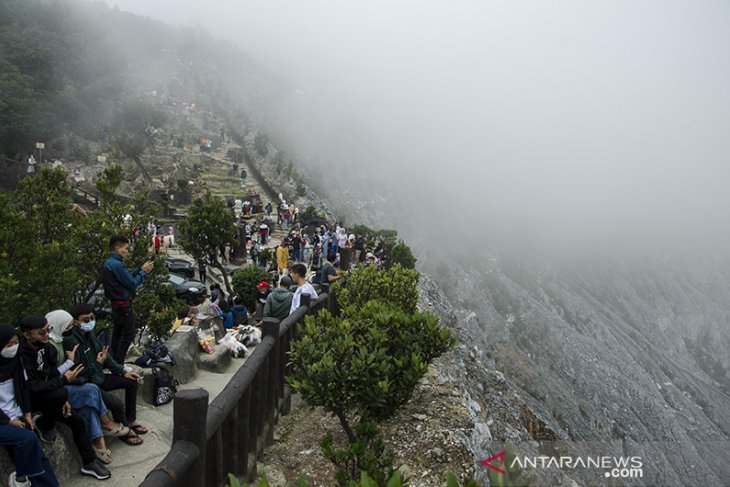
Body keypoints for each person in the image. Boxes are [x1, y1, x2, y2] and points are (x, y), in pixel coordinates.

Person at [18, 316, 111, 479]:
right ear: (27, 335)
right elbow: (30, 387)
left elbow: (52, 375)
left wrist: (63, 398)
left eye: (48, 330)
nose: (46, 335)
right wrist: (63, 382)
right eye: (41, 332)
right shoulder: (21, 355)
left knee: (77, 420)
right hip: (30, 400)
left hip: (51, 397)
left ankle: (89, 462)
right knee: (62, 393)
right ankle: (43, 424)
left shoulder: (48, 349)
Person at [45, 311, 129, 464]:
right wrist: (93, 365)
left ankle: (99, 445)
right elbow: (51, 376)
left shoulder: (62, 340)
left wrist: (121, 370)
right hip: (62, 388)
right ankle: (106, 423)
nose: (71, 328)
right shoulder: (55, 345)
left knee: (89, 407)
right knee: (94, 392)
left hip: (72, 382)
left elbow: (102, 357)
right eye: (68, 326)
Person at [64, 304, 146, 447]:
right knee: (116, 404)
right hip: (88, 382)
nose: (90, 322)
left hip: (98, 376)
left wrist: (123, 372)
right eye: (85, 319)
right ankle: (125, 431)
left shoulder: (90, 336)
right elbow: (81, 370)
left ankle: (131, 420)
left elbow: (105, 357)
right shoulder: (71, 341)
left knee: (131, 382)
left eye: (91, 318)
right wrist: (98, 364)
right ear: (76, 322)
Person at [0, 324, 61, 487]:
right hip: (3, 420)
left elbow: (23, 388)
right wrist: (7, 421)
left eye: (15, 343)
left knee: (39, 457)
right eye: (8, 345)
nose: (13, 348)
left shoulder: (15, 361)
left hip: (16, 414)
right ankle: (20, 479)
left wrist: (27, 412)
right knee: (28, 439)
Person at [102, 235, 154, 363]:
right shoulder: (117, 265)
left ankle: (114, 360)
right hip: (123, 304)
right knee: (128, 334)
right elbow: (131, 283)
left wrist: (139, 270)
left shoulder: (110, 263)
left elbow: (126, 278)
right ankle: (119, 362)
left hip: (116, 304)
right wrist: (144, 272)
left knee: (118, 332)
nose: (127, 251)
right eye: (125, 248)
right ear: (118, 248)